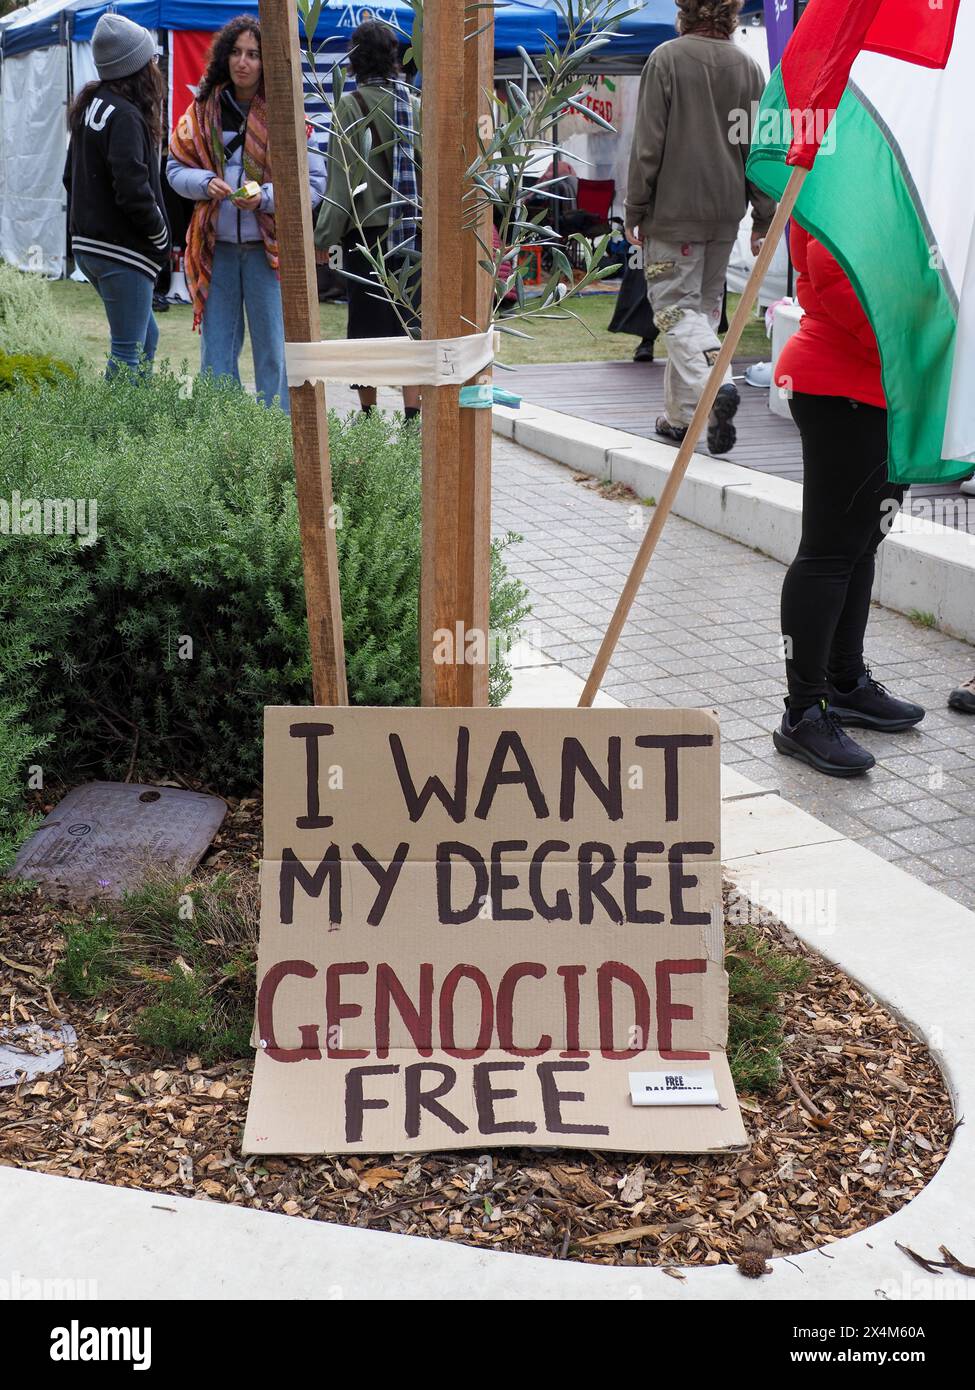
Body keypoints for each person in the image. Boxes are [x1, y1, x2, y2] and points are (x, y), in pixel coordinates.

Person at [772, 225, 925, 776]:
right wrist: (910, 342)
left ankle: (844, 684)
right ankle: (803, 713)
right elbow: (835, 274)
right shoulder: (842, 153)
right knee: (830, 553)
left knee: (859, 548)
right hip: (842, 387)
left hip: (881, 388)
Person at [624, 0, 775, 453]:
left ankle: (717, 382)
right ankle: (683, 418)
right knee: (701, 314)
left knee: (674, 310)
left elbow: (648, 144)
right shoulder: (749, 68)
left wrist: (634, 207)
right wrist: (763, 216)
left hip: (674, 212)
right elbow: (758, 148)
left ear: (684, 12)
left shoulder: (667, 58)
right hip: (725, 214)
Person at [167, 15, 325, 412]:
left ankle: (276, 434)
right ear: (224, 56)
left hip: (268, 253)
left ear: (267, 60)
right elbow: (174, 169)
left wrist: (266, 197)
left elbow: (314, 184)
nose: (243, 62)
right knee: (216, 351)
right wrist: (204, 184)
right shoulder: (203, 110)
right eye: (236, 52)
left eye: (253, 54)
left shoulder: (288, 113)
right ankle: (222, 433)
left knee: (274, 349)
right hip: (216, 248)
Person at [314, 20, 421, 420]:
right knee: (411, 324)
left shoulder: (351, 105)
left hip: (369, 236)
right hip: (413, 231)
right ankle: (412, 415)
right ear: (393, 56)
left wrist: (323, 237)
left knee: (366, 329)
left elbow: (341, 182)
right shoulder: (413, 103)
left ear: (354, 58)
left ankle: (369, 415)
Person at [64, 14, 170, 380]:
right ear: (138, 67)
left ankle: (134, 428)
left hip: (90, 246)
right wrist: (159, 234)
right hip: (121, 250)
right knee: (127, 354)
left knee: (146, 339)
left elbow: (68, 177)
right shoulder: (125, 115)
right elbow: (133, 190)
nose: (157, 66)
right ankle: (110, 435)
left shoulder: (90, 105)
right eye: (152, 59)